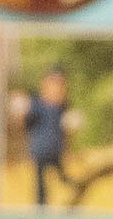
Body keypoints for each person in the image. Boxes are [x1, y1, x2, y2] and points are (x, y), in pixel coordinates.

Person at [12, 67, 72, 208]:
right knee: (41, 181)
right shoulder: (36, 103)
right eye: (54, 84)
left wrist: (69, 144)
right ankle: (41, 205)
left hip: (56, 149)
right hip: (40, 149)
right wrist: (21, 115)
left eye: (60, 84)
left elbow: (65, 130)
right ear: (45, 85)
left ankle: (68, 198)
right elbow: (26, 124)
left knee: (62, 177)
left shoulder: (63, 106)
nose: (57, 88)